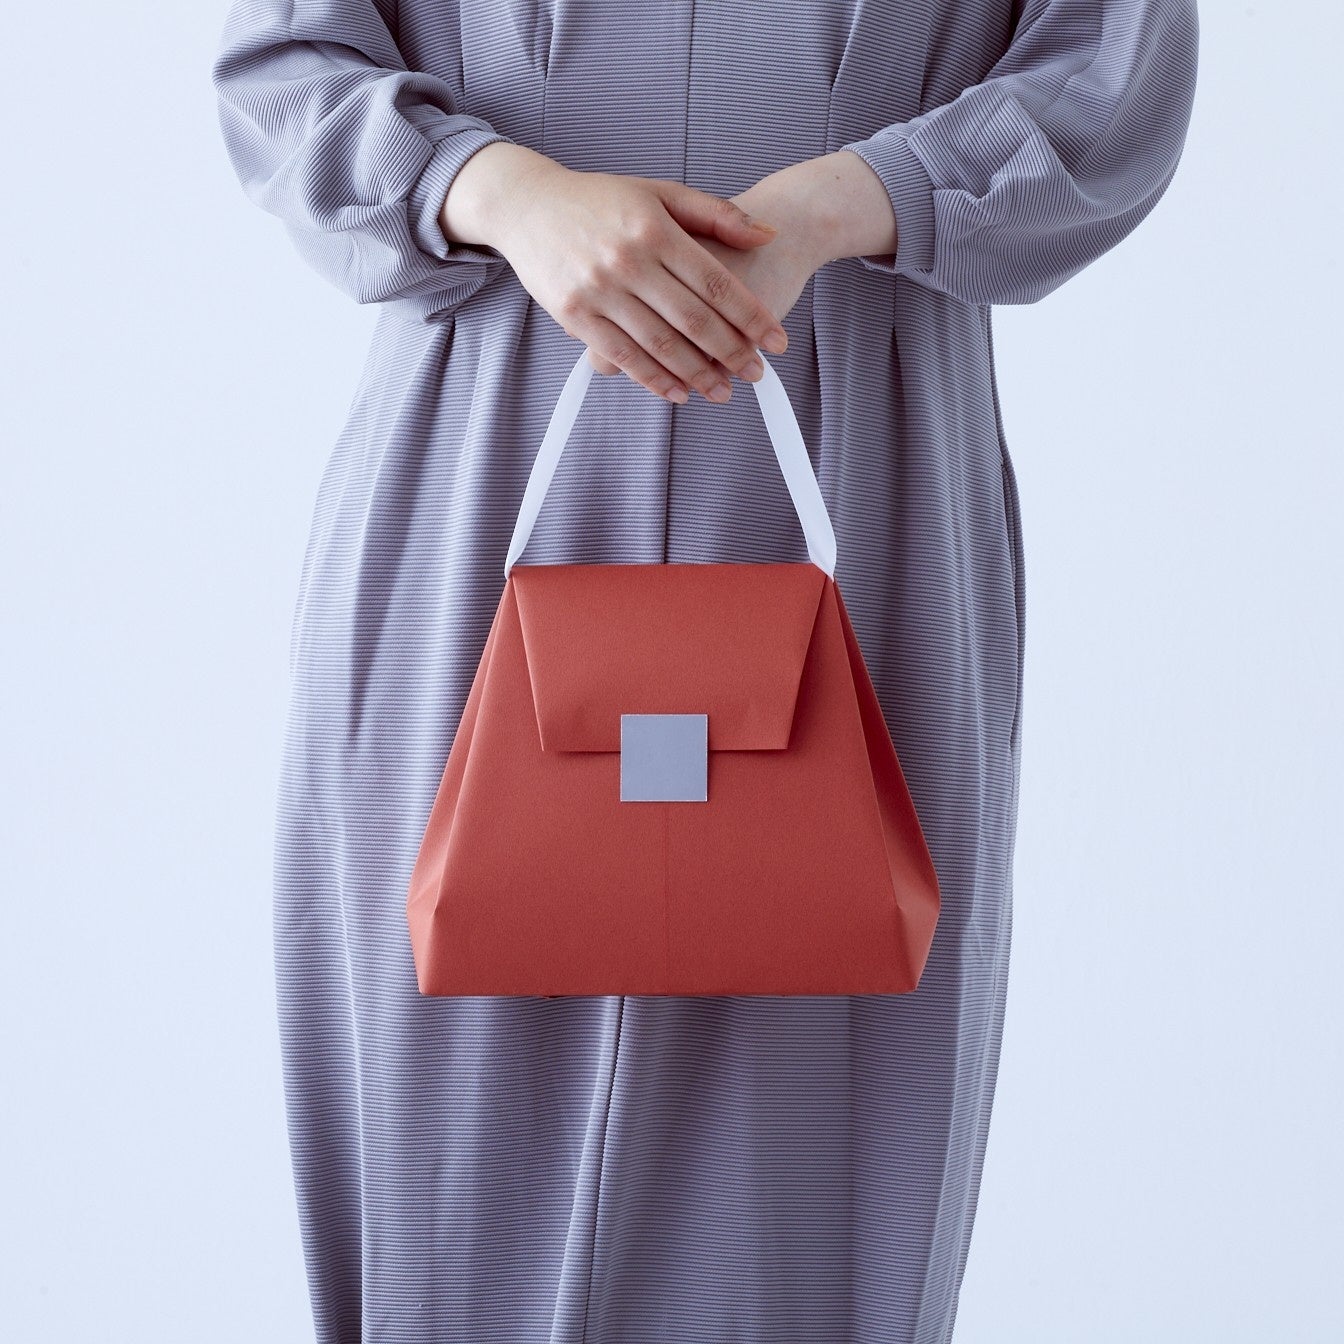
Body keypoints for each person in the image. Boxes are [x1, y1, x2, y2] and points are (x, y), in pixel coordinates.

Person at [210, 2, 1199, 1340]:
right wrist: (502, 193)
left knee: (820, 1180)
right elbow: (282, 67)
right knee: (447, 1181)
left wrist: (836, 204)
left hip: (861, 506)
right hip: (480, 491)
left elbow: (1112, 81)